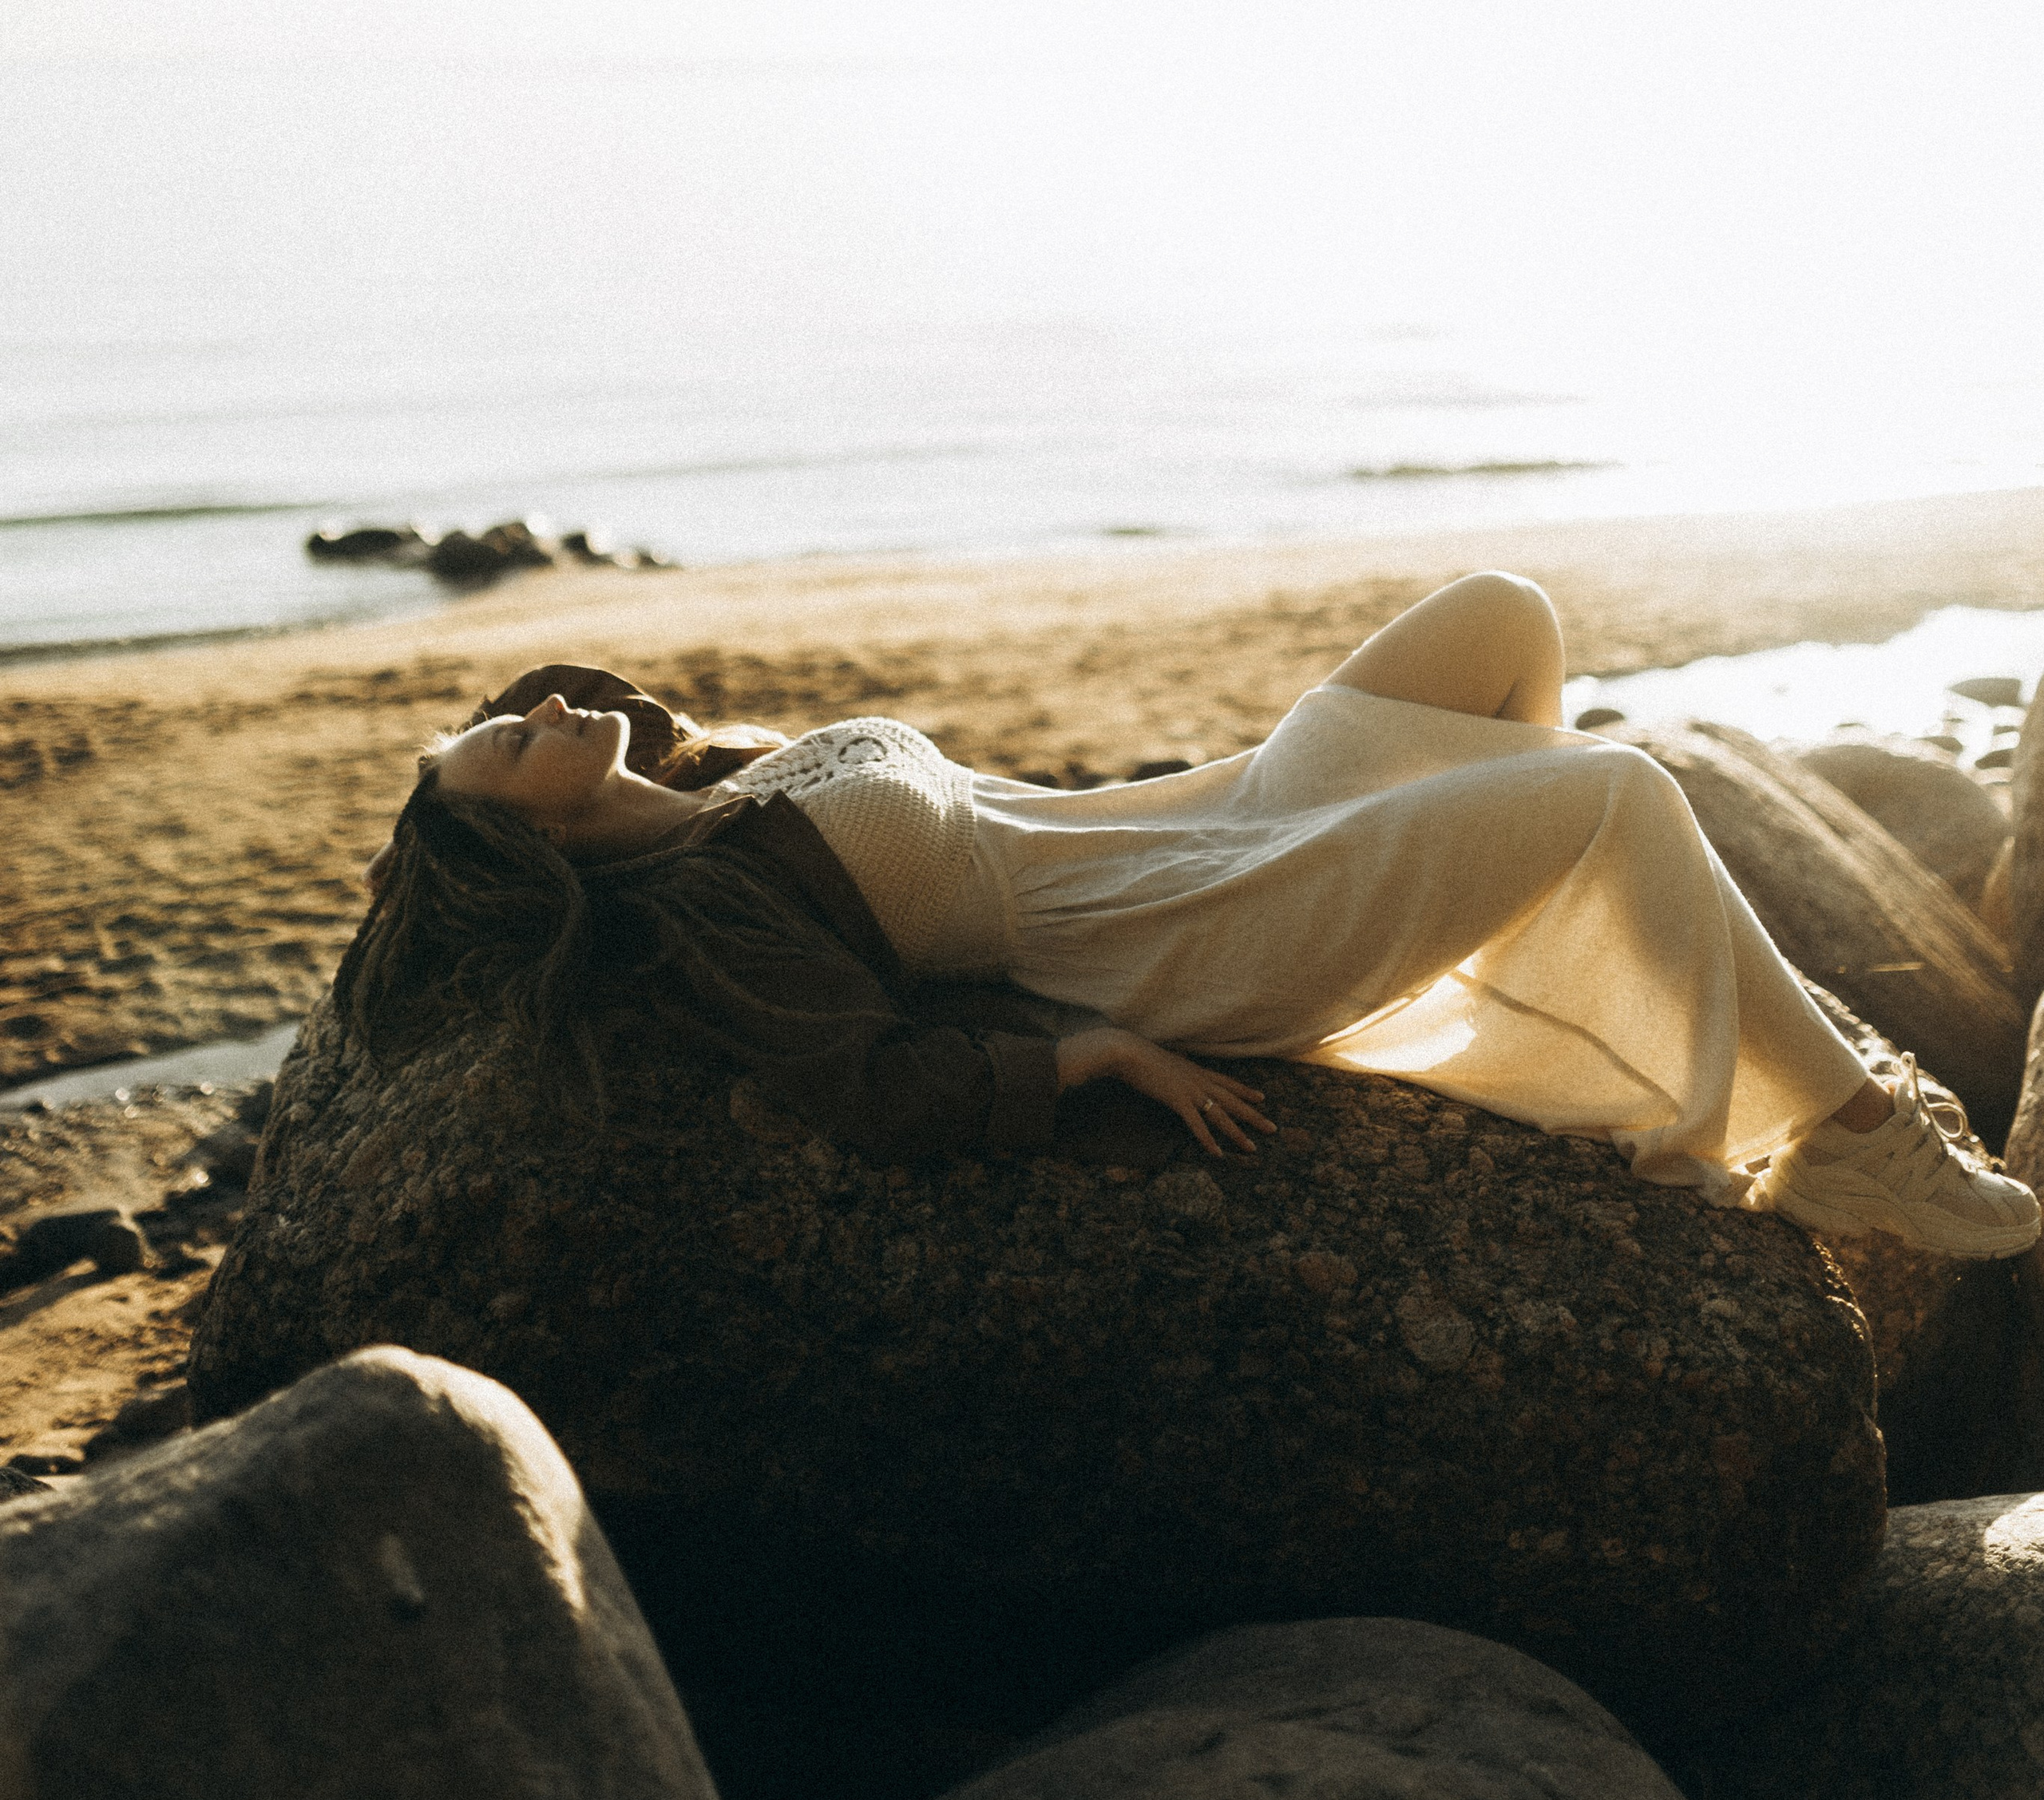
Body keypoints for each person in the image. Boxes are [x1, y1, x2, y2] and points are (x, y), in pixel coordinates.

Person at [343, 570, 2038, 1258]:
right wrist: (1081, 1056)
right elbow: (855, 1081)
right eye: (513, 745)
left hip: (1211, 815)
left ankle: (1500, 930)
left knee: (1500, 619)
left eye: (524, 713)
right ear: (532, 849)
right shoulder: (700, 913)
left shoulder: (722, 778)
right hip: (1188, 936)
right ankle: (1836, 1134)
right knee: (1617, 790)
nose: (541, 712)